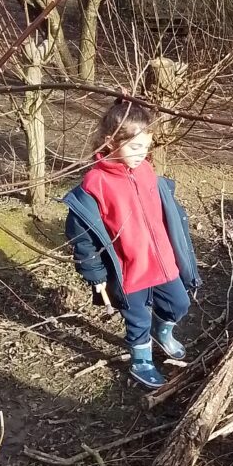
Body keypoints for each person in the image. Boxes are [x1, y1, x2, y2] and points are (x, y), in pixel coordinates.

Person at [63, 99, 200, 390]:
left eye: (146, 147)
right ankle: (141, 360)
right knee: (136, 318)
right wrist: (96, 277)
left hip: (162, 260)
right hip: (129, 269)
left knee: (179, 303)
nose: (142, 154)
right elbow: (82, 234)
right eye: (135, 147)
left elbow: (164, 213)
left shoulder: (146, 171)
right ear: (112, 141)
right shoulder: (95, 183)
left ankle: (162, 331)